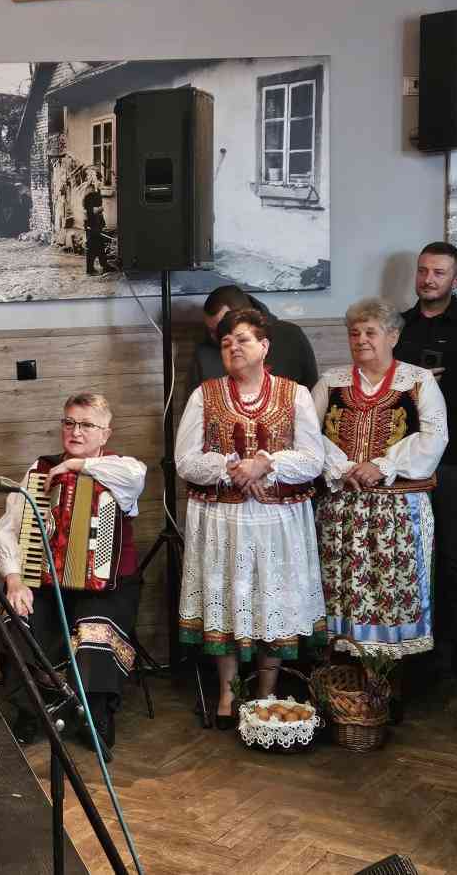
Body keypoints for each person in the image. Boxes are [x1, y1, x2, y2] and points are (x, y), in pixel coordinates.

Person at [176, 309, 327, 729]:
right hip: (223, 520)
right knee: (228, 596)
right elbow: (185, 459)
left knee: (270, 599)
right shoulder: (205, 395)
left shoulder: (295, 394)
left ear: (264, 346)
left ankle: (267, 691)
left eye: (242, 340)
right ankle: (228, 692)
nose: (233, 348)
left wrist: (265, 463)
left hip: (277, 521)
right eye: (226, 343)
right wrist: (232, 469)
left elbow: (313, 459)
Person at [0, 392, 146, 755]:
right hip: (46, 583)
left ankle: (95, 715)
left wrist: (77, 466)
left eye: (87, 425)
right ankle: (31, 709)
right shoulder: (40, 470)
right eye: (69, 423)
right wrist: (14, 578)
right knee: (17, 619)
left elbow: (136, 474)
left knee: (95, 632)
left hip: (107, 586)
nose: (76, 432)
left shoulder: (121, 470)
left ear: (106, 433)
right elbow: (6, 529)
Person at [313, 299, 447, 670]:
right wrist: (341, 467)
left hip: (398, 510)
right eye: (354, 333)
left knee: (392, 586)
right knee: (340, 586)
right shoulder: (331, 381)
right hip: (341, 507)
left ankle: (388, 680)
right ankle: (341, 675)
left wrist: (383, 465)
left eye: (370, 332)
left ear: (393, 336)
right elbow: (306, 434)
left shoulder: (418, 381)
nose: (361, 340)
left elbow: (435, 438)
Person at [393, 242, 457, 678]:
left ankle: (448, 649)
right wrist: (417, 385)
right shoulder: (400, 325)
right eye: (422, 271)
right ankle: (408, 639)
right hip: (403, 454)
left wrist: (425, 386)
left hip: (455, 455)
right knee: (409, 549)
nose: (428, 279)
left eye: (438, 273)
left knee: (452, 550)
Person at [185, 285, 318, 397]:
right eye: (211, 330)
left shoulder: (291, 336)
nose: (216, 336)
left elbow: (312, 390)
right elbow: (193, 405)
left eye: (222, 328)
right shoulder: (203, 354)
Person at [83, 178, 109, 275]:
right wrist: (99, 209)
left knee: (100, 246)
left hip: (96, 226)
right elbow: (91, 212)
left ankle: (104, 266)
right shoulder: (88, 198)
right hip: (92, 227)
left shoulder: (95, 195)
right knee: (92, 249)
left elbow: (98, 212)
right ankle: (90, 270)